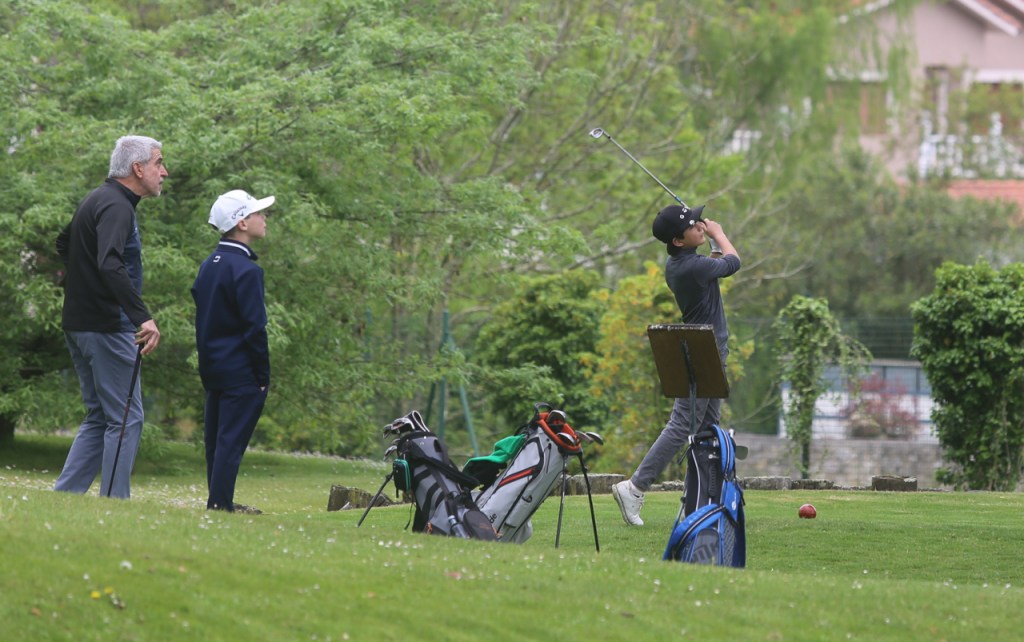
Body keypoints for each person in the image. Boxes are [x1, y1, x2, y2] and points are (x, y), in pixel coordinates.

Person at [612, 204, 741, 526]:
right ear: (678, 241)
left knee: (708, 429)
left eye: (698, 221)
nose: (699, 225)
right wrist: (719, 234)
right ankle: (635, 486)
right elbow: (733, 262)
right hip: (704, 350)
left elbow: (714, 265)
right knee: (682, 424)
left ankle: (697, 501)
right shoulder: (693, 267)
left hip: (705, 347)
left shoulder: (680, 264)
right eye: (691, 225)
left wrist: (711, 241)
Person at [54, 135, 166, 499]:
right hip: (107, 327)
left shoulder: (96, 198)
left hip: (80, 324)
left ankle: (65, 497)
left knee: (100, 417)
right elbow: (109, 262)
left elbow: (64, 243)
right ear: (138, 168)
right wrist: (142, 316)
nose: (164, 172)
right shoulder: (118, 206)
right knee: (126, 418)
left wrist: (84, 285)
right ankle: (114, 503)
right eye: (159, 163)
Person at [191, 189, 274, 513]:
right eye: (258, 214)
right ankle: (219, 505)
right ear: (242, 223)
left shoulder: (209, 265)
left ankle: (218, 500)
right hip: (241, 371)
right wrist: (262, 375)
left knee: (216, 440)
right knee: (230, 443)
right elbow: (254, 329)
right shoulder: (247, 271)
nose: (264, 219)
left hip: (213, 367)